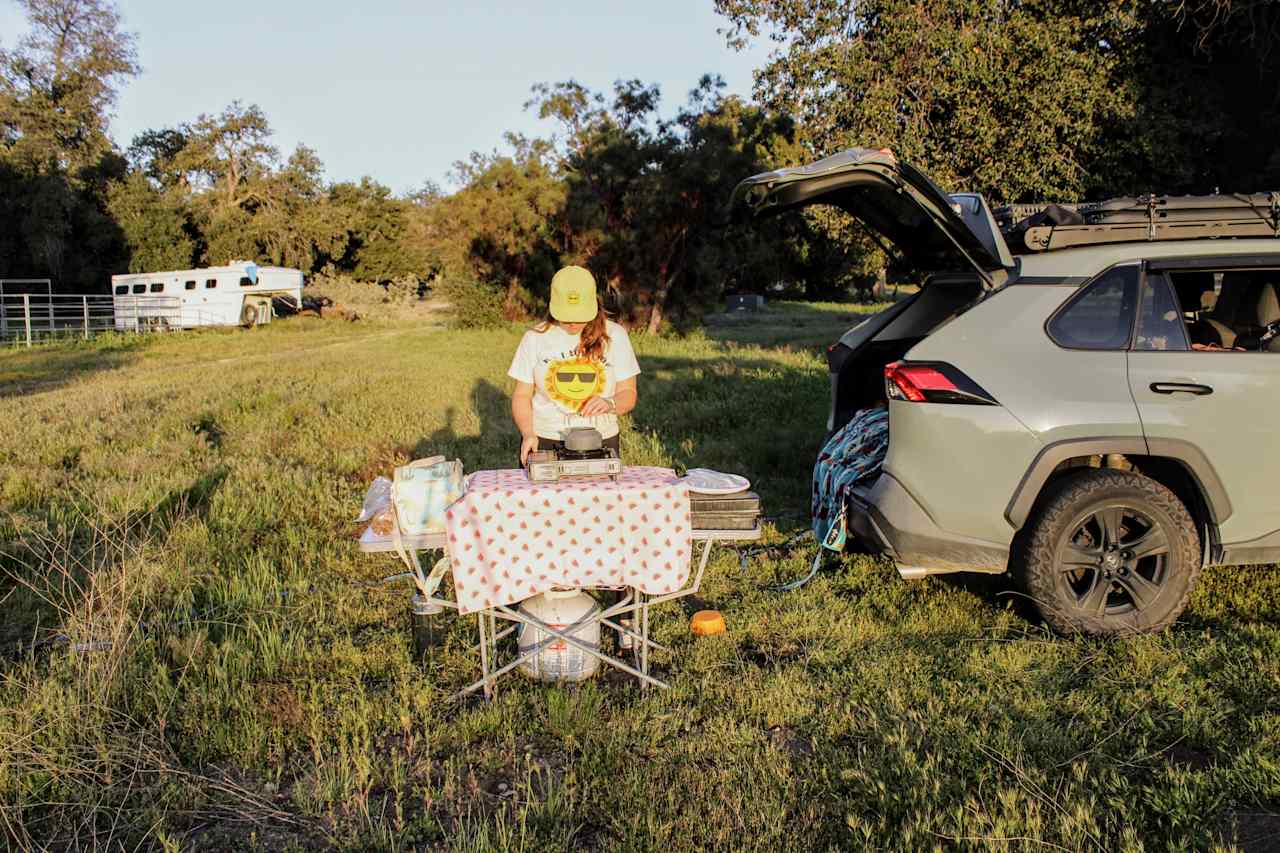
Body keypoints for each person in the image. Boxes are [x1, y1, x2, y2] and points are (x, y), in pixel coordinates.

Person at [508, 265, 639, 465]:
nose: (571, 324)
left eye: (578, 316)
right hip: (545, 439)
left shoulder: (615, 336)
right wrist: (528, 433)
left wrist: (610, 403)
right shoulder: (534, 338)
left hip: (600, 441)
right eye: (566, 316)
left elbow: (629, 394)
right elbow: (521, 395)